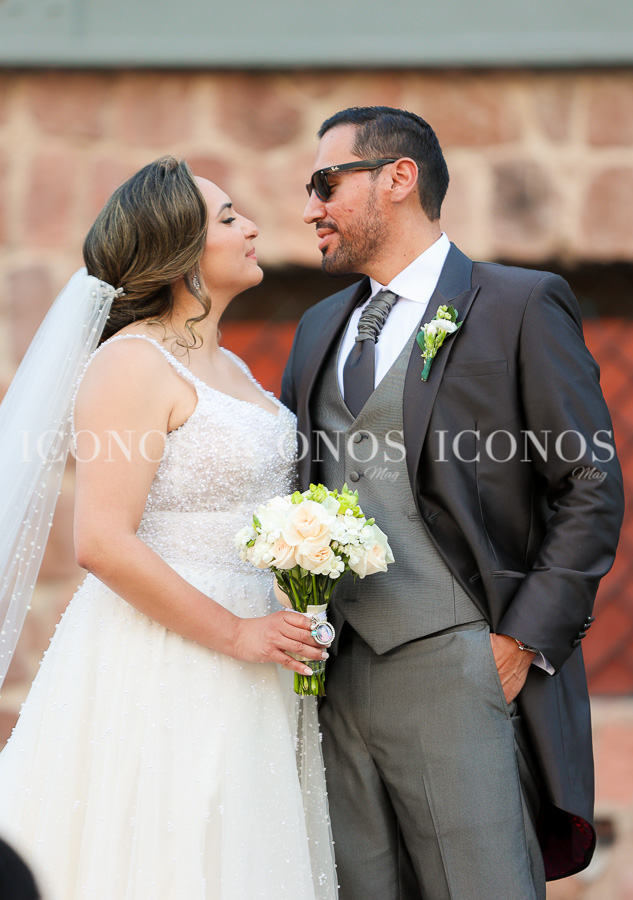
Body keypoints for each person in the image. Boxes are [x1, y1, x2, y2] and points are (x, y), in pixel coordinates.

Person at [280, 106, 624, 900]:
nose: (310, 209)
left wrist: (515, 645)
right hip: (334, 681)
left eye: (326, 183)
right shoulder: (315, 328)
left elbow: (589, 485)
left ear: (397, 179)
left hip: (460, 665)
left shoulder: (517, 304)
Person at [0, 157, 337, 900]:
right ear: (178, 250)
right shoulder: (130, 364)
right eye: (226, 218)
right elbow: (102, 541)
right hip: (170, 651)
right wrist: (236, 633)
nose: (250, 228)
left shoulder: (236, 369)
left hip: (257, 654)